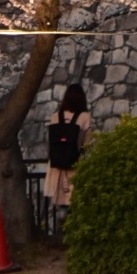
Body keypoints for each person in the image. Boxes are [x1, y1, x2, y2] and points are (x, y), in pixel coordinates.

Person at [43, 82, 90, 215]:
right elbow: (87, 142)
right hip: (75, 165)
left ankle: (60, 231)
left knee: (61, 207)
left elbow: (50, 141)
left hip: (56, 166)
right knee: (75, 204)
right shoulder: (84, 116)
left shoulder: (56, 116)